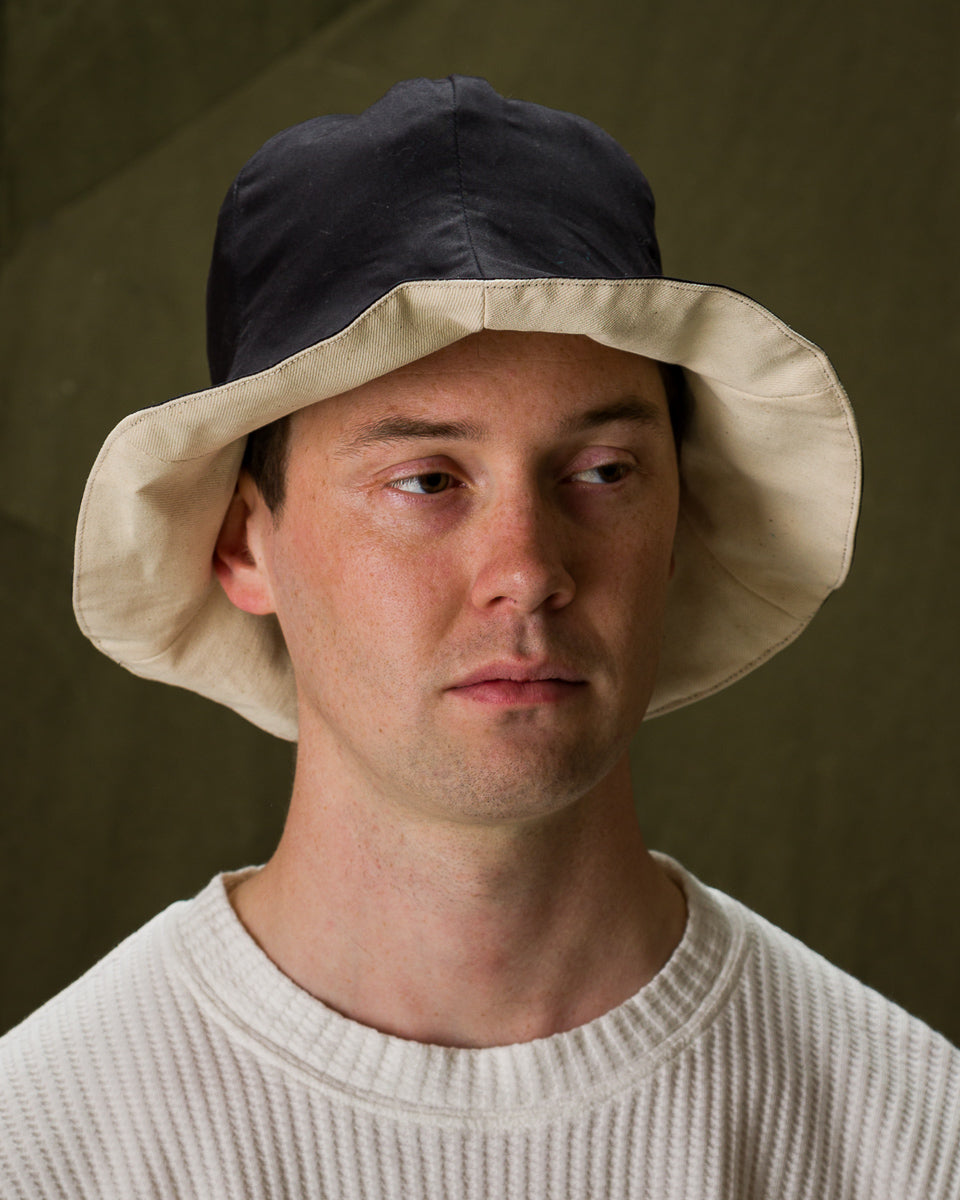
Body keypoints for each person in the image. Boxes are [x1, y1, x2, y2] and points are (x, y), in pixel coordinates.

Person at [1, 75, 957, 1199]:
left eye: (602, 472)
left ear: (679, 519)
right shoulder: (45, 1148)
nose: (529, 571)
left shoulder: (912, 1140)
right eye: (426, 480)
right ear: (242, 543)